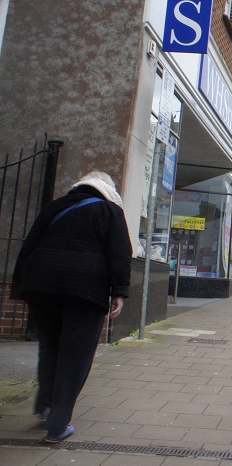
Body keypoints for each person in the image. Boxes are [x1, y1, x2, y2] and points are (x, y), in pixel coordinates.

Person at [11, 171, 132, 443]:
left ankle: (45, 406)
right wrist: (119, 292)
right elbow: (120, 252)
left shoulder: (55, 206)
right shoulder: (110, 211)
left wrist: (20, 286)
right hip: (84, 289)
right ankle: (58, 424)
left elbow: (29, 246)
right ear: (107, 190)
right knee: (75, 354)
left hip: (41, 285)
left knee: (50, 346)